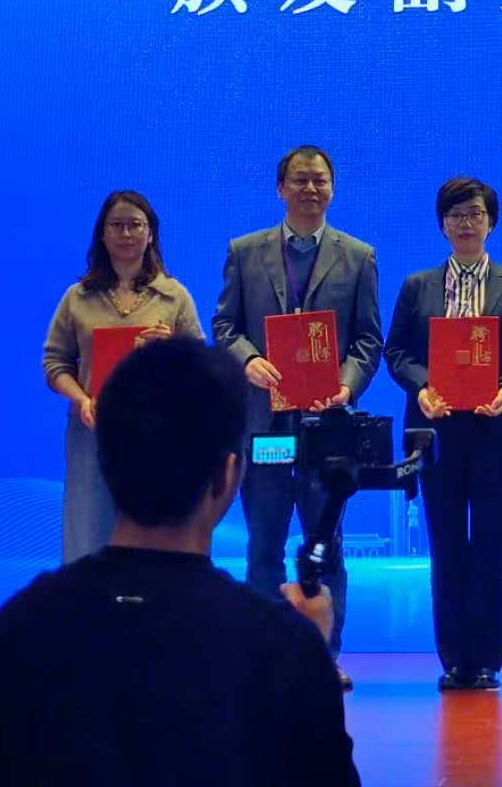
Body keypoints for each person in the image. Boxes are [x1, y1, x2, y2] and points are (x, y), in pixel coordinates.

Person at [0, 337, 358, 787]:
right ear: (228, 474)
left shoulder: (20, 630)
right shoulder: (281, 646)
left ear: (105, 461)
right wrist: (312, 657)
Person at [213, 145, 382, 684]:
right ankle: (263, 657)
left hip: (326, 426)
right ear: (280, 188)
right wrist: (250, 360)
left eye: (320, 180)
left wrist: (346, 385)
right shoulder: (245, 251)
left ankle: (324, 658)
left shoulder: (358, 256)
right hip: (265, 424)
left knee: (325, 546)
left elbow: (368, 339)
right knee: (263, 544)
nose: (311, 189)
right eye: (300, 180)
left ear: (333, 188)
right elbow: (225, 327)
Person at [385, 177, 502, 693]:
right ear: (442, 225)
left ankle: (488, 658)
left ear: (491, 221)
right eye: (455, 215)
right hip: (436, 429)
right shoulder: (418, 285)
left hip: (497, 427)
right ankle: (454, 658)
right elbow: (396, 352)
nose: (466, 223)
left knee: (494, 544)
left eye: (475, 214)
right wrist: (422, 387)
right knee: (446, 542)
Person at [41, 189, 203, 563]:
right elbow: (54, 362)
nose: (126, 233)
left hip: (157, 435)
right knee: (88, 539)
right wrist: (81, 399)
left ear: (151, 233)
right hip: (92, 434)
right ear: (102, 234)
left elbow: (200, 367)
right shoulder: (78, 297)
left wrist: (171, 349)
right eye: (116, 225)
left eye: (135, 225)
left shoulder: (174, 296)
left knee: (153, 539)